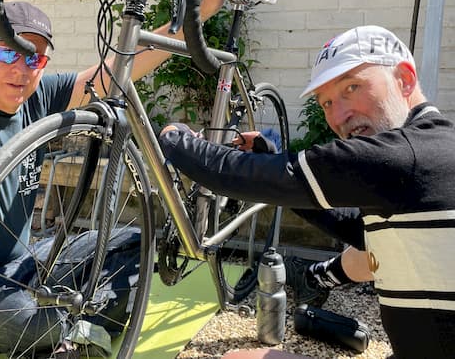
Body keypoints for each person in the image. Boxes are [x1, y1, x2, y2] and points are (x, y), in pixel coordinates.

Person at [0, 0, 245, 355]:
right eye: (10, 51)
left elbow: (114, 71)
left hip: (23, 269)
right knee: (37, 320)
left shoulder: (39, 96)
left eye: (35, 58)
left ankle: (75, 329)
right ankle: (78, 327)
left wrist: (193, 16)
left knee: (133, 243)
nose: (22, 69)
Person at [159, 25, 455, 358]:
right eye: (326, 102)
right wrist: (269, 161)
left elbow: (250, 177)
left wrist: (173, 139)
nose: (339, 115)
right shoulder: (435, 150)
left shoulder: (402, 155)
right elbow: (358, 229)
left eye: (352, 87)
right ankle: (317, 279)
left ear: (404, 79)